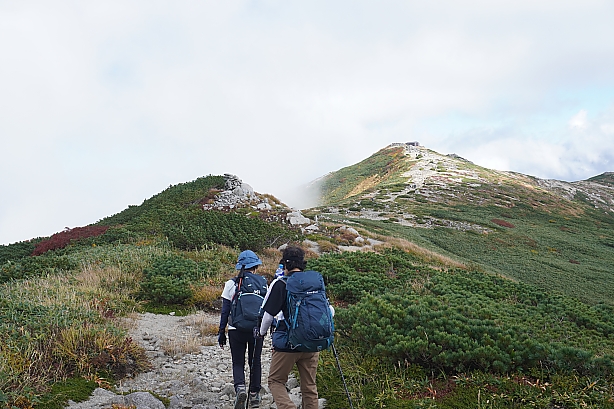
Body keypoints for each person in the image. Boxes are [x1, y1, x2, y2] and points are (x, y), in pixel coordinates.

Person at [256, 246, 332, 409]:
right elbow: (330, 311)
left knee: (276, 381)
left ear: (285, 264)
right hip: (312, 342)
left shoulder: (281, 283)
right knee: (309, 386)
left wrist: (261, 333)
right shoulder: (314, 282)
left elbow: (268, 316)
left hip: (288, 344)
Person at [218, 250, 267, 409]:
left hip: (235, 328)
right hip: (257, 329)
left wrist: (221, 332)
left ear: (240, 266)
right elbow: (267, 309)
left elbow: (225, 311)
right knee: (255, 361)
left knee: (238, 362)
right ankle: (254, 395)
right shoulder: (263, 283)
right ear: (256, 266)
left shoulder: (231, 283)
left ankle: (240, 388)